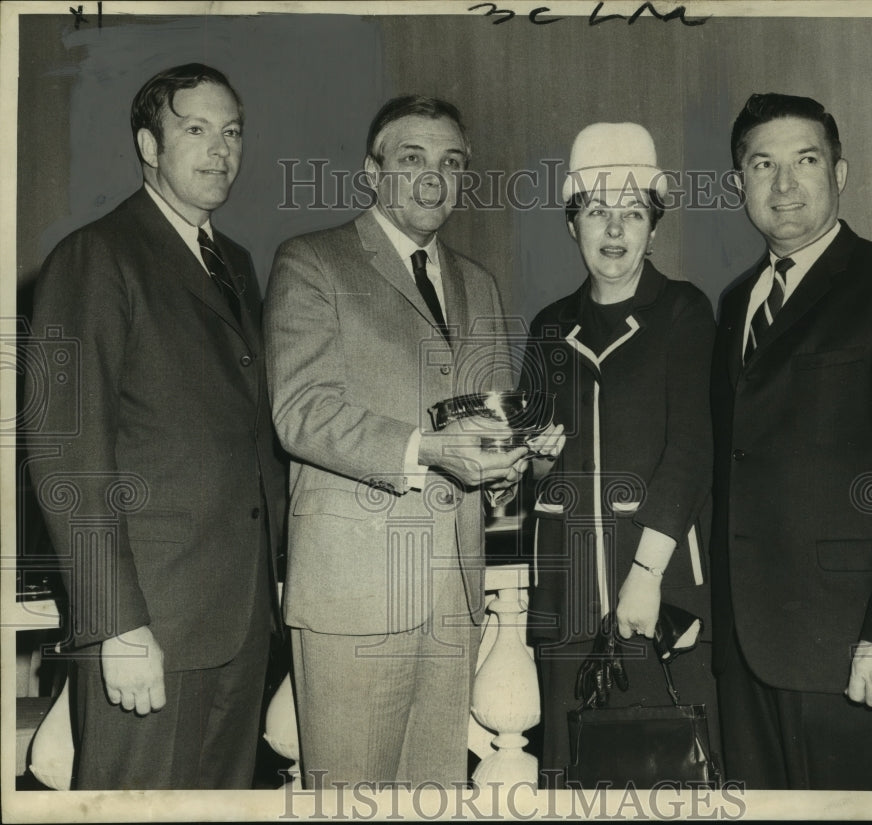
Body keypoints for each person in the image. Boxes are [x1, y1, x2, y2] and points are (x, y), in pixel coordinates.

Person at [263, 94, 562, 788]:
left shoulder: (479, 285)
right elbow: (300, 412)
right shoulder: (312, 262)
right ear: (372, 172)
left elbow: (484, 433)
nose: (434, 177)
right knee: (351, 798)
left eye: (451, 163)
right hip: (352, 594)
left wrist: (518, 457)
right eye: (412, 158)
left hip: (454, 594)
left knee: (435, 798)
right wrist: (427, 448)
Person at [27, 64, 287, 789]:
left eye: (232, 131)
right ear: (148, 144)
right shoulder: (95, 256)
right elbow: (65, 455)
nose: (221, 150)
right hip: (150, 623)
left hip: (237, 618)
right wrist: (115, 622)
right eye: (195, 130)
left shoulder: (232, 263)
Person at [711, 92, 872, 791]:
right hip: (745, 651)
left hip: (854, 650)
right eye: (763, 164)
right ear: (740, 184)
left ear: (840, 173)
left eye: (805, 160)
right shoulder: (736, 303)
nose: (784, 184)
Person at [523, 122, 718, 788]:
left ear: (654, 226)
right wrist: (538, 462)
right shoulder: (550, 327)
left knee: (672, 777)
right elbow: (532, 472)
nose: (614, 229)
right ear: (572, 223)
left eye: (632, 212)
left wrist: (646, 570)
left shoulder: (685, 311)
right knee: (574, 781)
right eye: (597, 211)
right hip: (570, 600)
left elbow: (694, 446)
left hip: (662, 595)